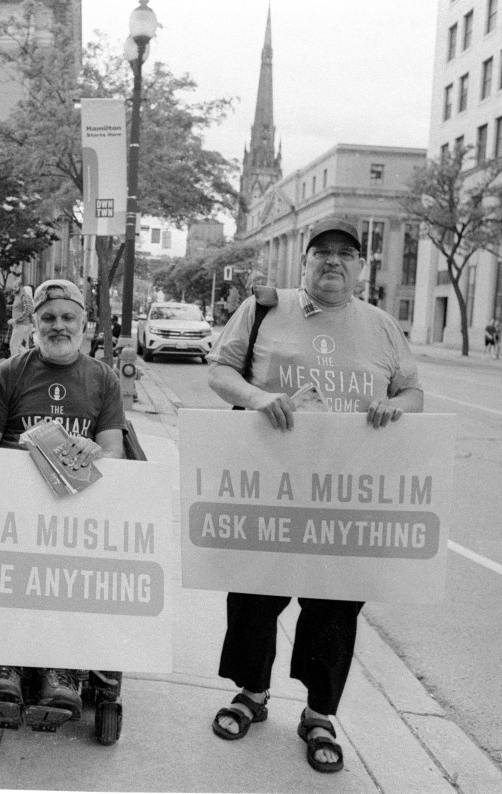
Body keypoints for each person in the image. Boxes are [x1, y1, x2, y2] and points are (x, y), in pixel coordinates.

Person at [206, 218, 423, 774]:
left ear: (360, 266)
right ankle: (251, 694)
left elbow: (412, 390)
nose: (333, 261)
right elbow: (221, 371)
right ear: (303, 263)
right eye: (321, 252)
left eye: (345, 253)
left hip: (346, 496)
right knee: (254, 595)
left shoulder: (381, 326)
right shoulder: (263, 310)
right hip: (269, 486)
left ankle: (319, 714)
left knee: (335, 607)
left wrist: (397, 406)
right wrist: (258, 398)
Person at [0, 278, 126, 720]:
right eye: (49, 318)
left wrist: (95, 451)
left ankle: (64, 669)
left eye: (68, 317)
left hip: (75, 510)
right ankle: (3, 664)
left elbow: (114, 450)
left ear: (84, 323)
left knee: (72, 577)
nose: (59, 326)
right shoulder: (8, 373)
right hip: (13, 508)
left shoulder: (103, 378)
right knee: (5, 574)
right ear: (34, 323)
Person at [7, 283, 34, 354]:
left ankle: (17, 360)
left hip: (21, 324)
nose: (14, 289)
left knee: (14, 345)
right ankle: (27, 357)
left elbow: (27, 311)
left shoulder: (24, 297)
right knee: (21, 346)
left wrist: (16, 320)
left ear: (21, 287)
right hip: (23, 324)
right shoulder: (20, 297)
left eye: (16, 287)